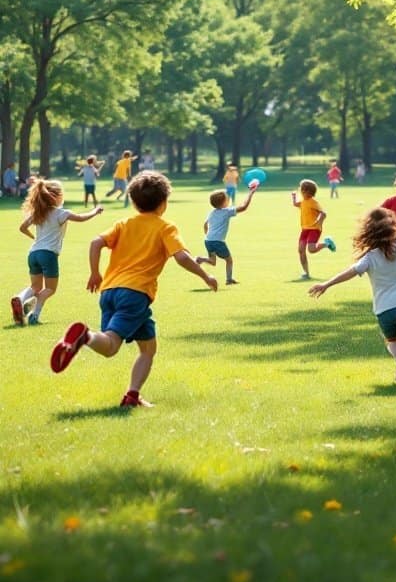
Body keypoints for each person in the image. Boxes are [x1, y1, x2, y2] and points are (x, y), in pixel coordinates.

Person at [49, 170, 217, 407]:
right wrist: (206, 275)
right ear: (163, 203)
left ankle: (132, 396)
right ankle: (84, 336)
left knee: (148, 348)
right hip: (135, 294)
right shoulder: (165, 227)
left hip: (110, 291)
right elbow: (181, 257)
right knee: (110, 346)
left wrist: (95, 272)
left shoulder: (124, 223)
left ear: (134, 201)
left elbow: (96, 242)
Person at [309, 207, 396, 395]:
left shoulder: (370, 257)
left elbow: (350, 272)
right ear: (393, 229)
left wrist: (326, 284)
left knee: (392, 341)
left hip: (385, 308)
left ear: (369, 232)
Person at [11, 178, 103, 327]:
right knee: (50, 289)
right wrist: (95, 211)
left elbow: (22, 228)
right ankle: (34, 315)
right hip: (48, 255)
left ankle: (20, 299)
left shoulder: (39, 212)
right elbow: (81, 218)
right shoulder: (61, 213)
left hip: (33, 253)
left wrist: (34, 238)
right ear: (57, 196)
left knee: (35, 287)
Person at [194, 185, 257, 285]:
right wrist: (251, 193)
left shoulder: (211, 212)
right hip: (218, 241)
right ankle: (229, 279)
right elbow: (244, 207)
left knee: (212, 261)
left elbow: (205, 224)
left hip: (208, 240)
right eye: (227, 199)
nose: (229, 200)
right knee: (229, 260)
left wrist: (208, 234)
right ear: (223, 203)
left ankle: (199, 259)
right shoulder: (226, 212)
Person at [291, 179, 336, 280]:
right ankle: (306, 274)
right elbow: (295, 204)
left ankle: (327, 244)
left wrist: (319, 220)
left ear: (307, 191)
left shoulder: (313, 203)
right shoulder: (303, 202)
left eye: (302, 190)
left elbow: (323, 213)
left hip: (314, 229)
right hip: (305, 229)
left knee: (311, 249)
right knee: (301, 250)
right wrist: (293, 197)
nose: (300, 191)